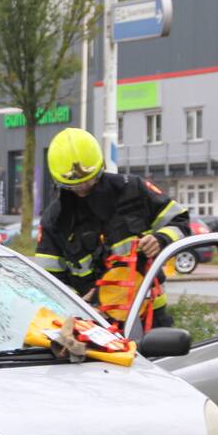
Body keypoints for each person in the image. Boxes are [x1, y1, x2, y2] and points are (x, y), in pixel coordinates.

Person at [34, 127, 191, 328]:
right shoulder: (54, 220)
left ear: (101, 167)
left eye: (89, 180)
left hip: (148, 316)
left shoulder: (132, 190)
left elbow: (180, 221)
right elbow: (50, 281)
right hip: (93, 324)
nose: (83, 188)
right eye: (74, 185)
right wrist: (80, 305)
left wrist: (161, 239)